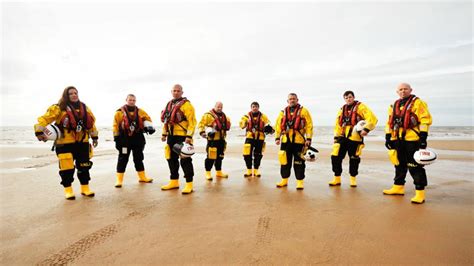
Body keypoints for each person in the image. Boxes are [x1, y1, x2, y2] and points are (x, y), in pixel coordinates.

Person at [34, 86, 98, 200]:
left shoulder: (85, 108)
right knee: (66, 168)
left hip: (82, 142)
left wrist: (94, 137)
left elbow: (91, 124)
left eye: (76, 93)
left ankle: (85, 188)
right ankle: (68, 190)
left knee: (84, 166)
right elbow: (44, 119)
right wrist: (39, 131)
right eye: (71, 93)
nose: (74, 95)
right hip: (64, 144)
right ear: (66, 95)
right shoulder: (58, 108)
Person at [383, 83, 432, 204]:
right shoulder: (393, 105)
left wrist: (423, 137)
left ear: (411, 90)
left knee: (415, 166)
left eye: (405, 89)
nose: (403, 91)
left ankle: (420, 193)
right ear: (397, 92)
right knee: (398, 163)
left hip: (412, 139)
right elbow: (389, 122)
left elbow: (425, 120)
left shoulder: (418, 103)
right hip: (398, 139)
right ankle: (398, 187)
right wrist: (388, 137)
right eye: (400, 89)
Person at [329, 91, 378, 187]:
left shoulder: (361, 107)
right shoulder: (341, 109)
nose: (348, 99)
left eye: (350, 97)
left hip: (355, 137)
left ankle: (353, 179)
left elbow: (372, 118)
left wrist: (366, 129)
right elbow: (337, 124)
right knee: (335, 157)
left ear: (354, 97)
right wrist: (336, 137)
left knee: (354, 158)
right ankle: (337, 178)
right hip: (342, 137)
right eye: (346, 98)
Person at [160, 84, 197, 194]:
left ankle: (189, 184)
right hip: (171, 136)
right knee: (171, 159)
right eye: (174, 91)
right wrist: (164, 134)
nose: (176, 92)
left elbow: (192, 122)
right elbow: (166, 120)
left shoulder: (187, 105)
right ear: (171, 92)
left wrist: (189, 136)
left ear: (182, 92)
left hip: (183, 137)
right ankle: (174, 181)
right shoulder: (169, 104)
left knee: (185, 160)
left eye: (178, 91)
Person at [113, 94, 155, 188]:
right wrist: (116, 139)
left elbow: (148, 119)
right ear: (126, 100)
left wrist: (149, 127)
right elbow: (115, 126)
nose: (132, 101)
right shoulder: (119, 113)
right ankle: (119, 180)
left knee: (139, 158)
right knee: (123, 159)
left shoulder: (141, 111)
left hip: (138, 138)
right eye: (130, 100)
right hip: (124, 140)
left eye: (133, 100)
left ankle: (142, 177)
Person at [275, 93, 313, 190]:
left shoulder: (304, 111)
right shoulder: (282, 112)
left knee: (299, 162)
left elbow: (309, 126)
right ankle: (284, 180)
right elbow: (278, 126)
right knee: (284, 161)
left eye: (294, 99)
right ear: (287, 101)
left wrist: (308, 139)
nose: (292, 100)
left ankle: (299, 182)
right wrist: (277, 137)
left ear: (297, 100)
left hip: (299, 141)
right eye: (290, 99)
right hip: (285, 141)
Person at [198, 102, 231, 181]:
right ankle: (208, 172)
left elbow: (227, 126)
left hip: (221, 140)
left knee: (220, 156)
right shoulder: (208, 115)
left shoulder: (224, 116)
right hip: (212, 140)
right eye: (218, 107)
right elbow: (201, 124)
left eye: (221, 107)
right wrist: (202, 132)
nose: (219, 108)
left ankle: (218, 172)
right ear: (215, 106)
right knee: (210, 157)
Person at [239, 102, 272, 177]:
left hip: (260, 138)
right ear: (251, 108)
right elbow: (241, 125)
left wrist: (269, 128)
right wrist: (244, 122)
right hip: (249, 137)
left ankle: (256, 170)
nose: (255, 108)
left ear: (258, 107)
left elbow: (268, 124)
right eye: (253, 106)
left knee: (258, 155)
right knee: (247, 154)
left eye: (256, 106)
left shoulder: (264, 117)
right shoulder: (246, 116)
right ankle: (249, 170)